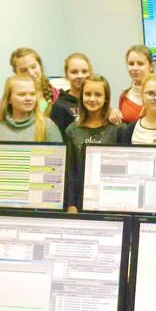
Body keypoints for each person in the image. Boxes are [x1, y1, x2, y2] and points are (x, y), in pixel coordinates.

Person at [64, 75, 122, 213]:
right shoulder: (72, 130)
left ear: (106, 98)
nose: (92, 99)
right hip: (80, 201)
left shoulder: (118, 129)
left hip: (110, 200)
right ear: (81, 96)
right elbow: (70, 171)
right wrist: (70, 204)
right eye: (88, 94)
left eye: (98, 95)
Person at [0, 75, 62, 142]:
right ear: (9, 99)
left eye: (32, 94)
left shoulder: (48, 126)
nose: (28, 98)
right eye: (22, 94)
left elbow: (57, 155)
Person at [119, 45, 156, 123]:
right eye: (131, 64)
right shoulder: (124, 97)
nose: (135, 68)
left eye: (140, 64)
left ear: (151, 66)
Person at [50, 52, 92, 139]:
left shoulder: (97, 102)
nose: (80, 76)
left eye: (84, 71)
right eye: (74, 72)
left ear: (90, 73)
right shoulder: (59, 106)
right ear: (66, 75)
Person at [9, 47, 59, 114]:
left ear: (40, 66)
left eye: (33, 67)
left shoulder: (57, 94)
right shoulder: (11, 99)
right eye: (24, 70)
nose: (31, 73)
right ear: (16, 74)